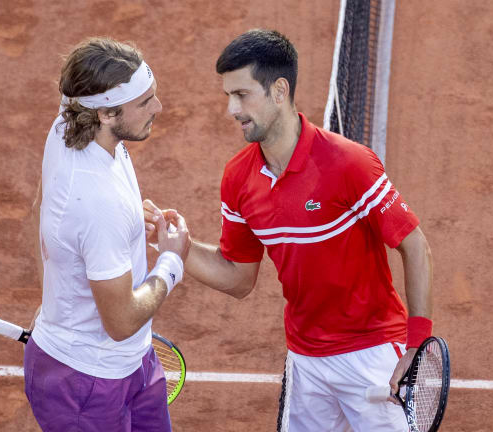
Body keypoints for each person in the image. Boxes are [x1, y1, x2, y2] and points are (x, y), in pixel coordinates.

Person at [145, 29, 433, 431]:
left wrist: (416, 343)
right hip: (306, 360)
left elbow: (414, 245)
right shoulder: (239, 178)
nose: (231, 109)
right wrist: (180, 248)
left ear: (279, 91)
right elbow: (238, 277)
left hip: (372, 356)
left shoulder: (350, 164)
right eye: (228, 95)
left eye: (242, 95)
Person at [25, 37, 189, 432]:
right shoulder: (99, 203)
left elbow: (42, 210)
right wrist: (171, 263)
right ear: (106, 114)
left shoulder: (67, 123)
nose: (158, 107)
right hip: (87, 385)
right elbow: (121, 322)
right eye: (144, 102)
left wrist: (129, 221)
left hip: (133, 364)